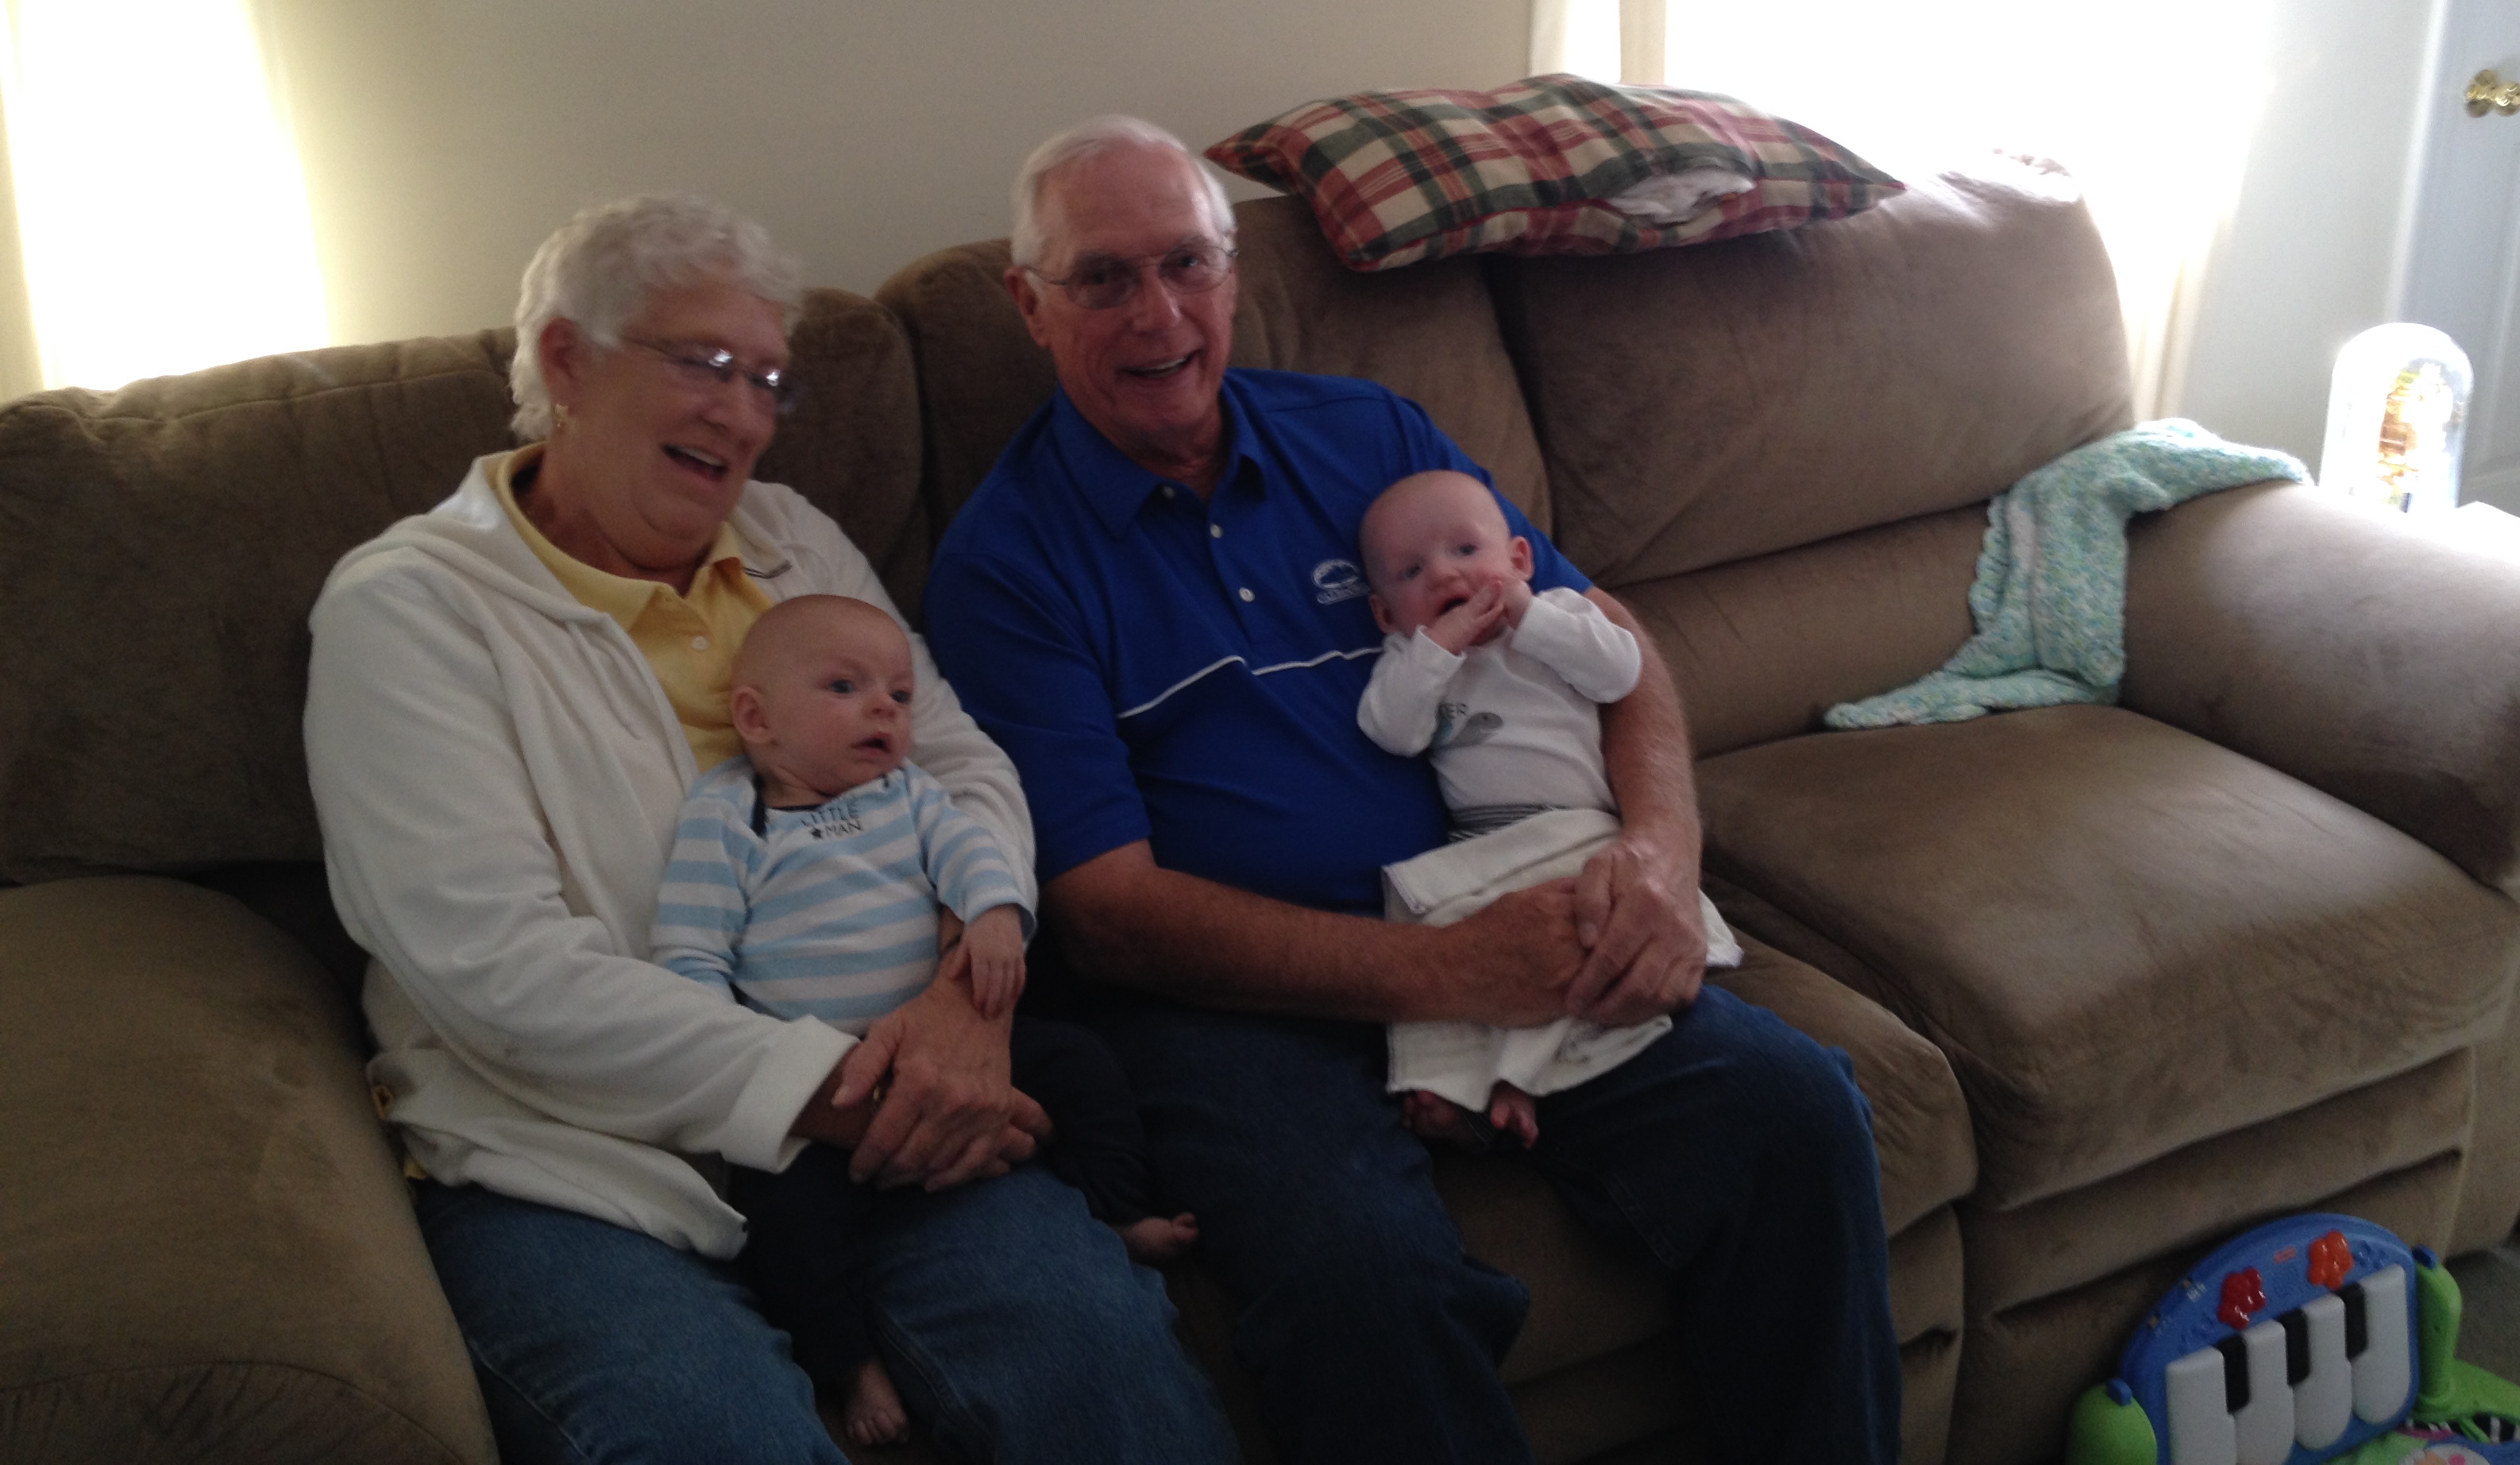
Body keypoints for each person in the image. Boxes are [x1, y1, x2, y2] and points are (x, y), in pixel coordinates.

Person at [924, 118, 1901, 1465]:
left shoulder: (1368, 434)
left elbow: (1607, 644)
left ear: (1232, 271)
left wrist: (1662, 857)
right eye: (1101, 278)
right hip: (1228, 1007)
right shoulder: (1003, 565)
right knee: (1360, 1280)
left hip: (1506, 888)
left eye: (1186, 264)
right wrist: (1442, 971)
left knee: (1792, 1115)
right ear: (1025, 302)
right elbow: (1108, 913)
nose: (1157, 313)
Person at [305, 192, 1236, 1465]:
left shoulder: (793, 541)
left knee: (1096, 1369)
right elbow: (494, 971)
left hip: (901, 1107)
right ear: (566, 361)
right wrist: (849, 1094)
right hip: (582, 1160)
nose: (743, 413)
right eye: (703, 363)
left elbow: (961, 761)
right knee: (714, 1436)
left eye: (768, 380)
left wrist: (971, 1000)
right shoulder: (412, 611)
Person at [653, 593, 1196, 1449]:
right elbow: (690, 953)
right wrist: (740, 1055)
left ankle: (1115, 1209)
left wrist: (990, 915)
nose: (884, 709)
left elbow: (972, 850)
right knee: (786, 1229)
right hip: (818, 1077)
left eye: (900, 696)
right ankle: (853, 1363)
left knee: (1084, 1068)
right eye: (846, 686)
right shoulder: (728, 817)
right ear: (756, 719)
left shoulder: (907, 793)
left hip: (952, 1037)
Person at [1353, 469, 1744, 1150]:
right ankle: (1447, 1082)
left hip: (1582, 831)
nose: (1446, 575)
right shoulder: (1409, 658)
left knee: (1593, 945)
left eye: (1466, 552)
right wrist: (1435, 652)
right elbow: (1392, 730)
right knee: (1439, 934)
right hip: (1485, 845)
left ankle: (1519, 1082)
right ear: (1386, 614)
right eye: (1413, 571)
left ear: (1520, 560)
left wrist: (1529, 617)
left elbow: (1620, 672)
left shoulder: (1562, 613)